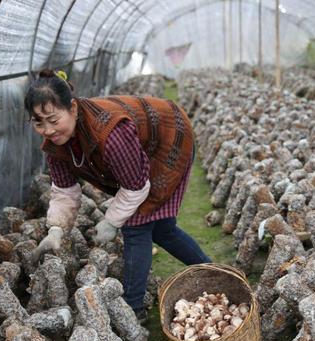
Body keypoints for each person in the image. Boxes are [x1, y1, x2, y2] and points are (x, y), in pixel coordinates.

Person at [24, 69, 211, 320]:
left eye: (53, 120)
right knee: (163, 229)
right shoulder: (55, 147)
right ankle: (214, 272)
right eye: (38, 123)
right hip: (142, 152)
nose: (47, 130)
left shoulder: (111, 133)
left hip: (168, 139)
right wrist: (56, 229)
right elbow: (64, 191)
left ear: (74, 109)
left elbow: (135, 185)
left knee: (136, 226)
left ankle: (133, 309)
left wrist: (112, 221)